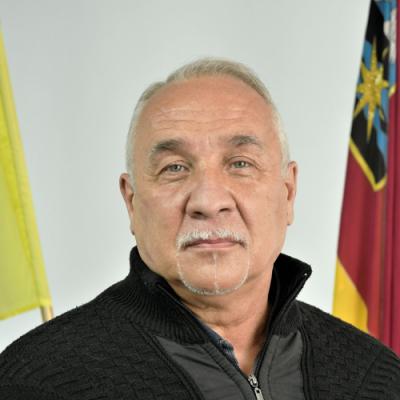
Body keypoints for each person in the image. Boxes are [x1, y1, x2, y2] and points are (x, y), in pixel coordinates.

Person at [0, 58, 399, 400]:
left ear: (288, 192)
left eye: (240, 163)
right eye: (174, 168)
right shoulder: (37, 380)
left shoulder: (378, 378)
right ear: (131, 202)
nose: (208, 201)